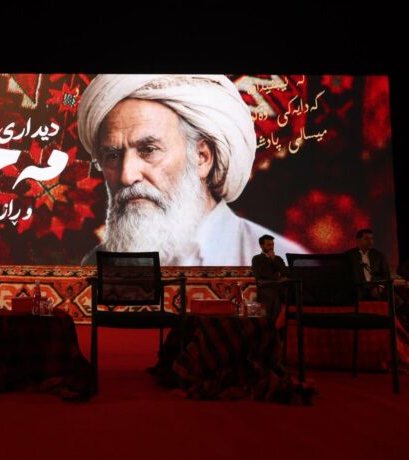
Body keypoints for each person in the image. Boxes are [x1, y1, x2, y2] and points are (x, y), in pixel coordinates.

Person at [77, 74, 306, 266]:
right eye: (112, 156)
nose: (127, 176)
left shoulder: (280, 263)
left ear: (202, 158)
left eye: (148, 150)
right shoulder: (95, 264)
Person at [345, 228, 390, 300]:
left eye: (372, 239)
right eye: (366, 239)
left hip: (375, 288)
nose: (370, 241)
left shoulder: (378, 255)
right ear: (358, 240)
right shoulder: (349, 255)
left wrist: (380, 287)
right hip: (357, 290)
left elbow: (385, 274)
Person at [251, 234, 289, 319]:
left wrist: (274, 259)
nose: (271, 247)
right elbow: (261, 274)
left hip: (279, 287)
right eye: (268, 245)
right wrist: (278, 276)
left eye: (272, 245)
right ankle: (274, 324)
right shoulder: (256, 259)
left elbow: (285, 272)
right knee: (274, 296)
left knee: (290, 293)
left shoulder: (278, 259)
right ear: (261, 246)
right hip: (265, 288)